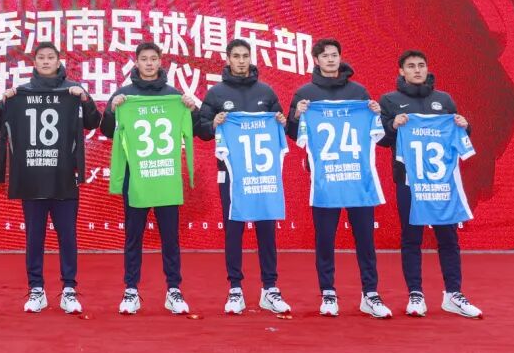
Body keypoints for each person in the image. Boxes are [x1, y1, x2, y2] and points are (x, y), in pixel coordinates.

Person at [287, 38, 391, 319]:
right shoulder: (305, 93)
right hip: (326, 179)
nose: (331, 59)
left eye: (334, 54)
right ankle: (328, 293)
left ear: (340, 57)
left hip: (358, 178)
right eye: (325, 55)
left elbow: (378, 134)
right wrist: (297, 115)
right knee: (325, 238)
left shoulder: (358, 92)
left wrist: (376, 114)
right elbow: (294, 134)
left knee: (365, 238)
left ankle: (370, 293)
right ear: (316, 60)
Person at [100, 41, 202, 315]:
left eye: (153, 59)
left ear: (160, 62)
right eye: (144, 59)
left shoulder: (173, 95)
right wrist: (112, 110)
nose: (148, 63)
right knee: (133, 236)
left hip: (165, 175)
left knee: (170, 236)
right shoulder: (124, 95)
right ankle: (131, 290)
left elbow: (196, 129)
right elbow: (108, 131)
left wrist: (192, 109)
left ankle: (174, 290)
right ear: (136, 62)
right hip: (136, 178)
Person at [378, 49, 482, 319]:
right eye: (411, 66)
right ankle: (416, 294)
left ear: (427, 68)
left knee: (448, 236)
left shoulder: (443, 100)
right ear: (401, 71)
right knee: (411, 237)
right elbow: (380, 139)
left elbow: (458, 135)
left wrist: (465, 125)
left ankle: (453, 294)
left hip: (441, 182)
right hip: (409, 181)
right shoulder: (390, 100)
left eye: (421, 65)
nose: (417, 70)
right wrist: (393, 126)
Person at [0, 41, 101, 314]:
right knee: (34, 237)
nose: (45, 61)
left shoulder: (72, 90)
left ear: (59, 61)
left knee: (67, 236)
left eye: (50, 57)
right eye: (41, 57)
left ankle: (69, 289)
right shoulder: (21, 92)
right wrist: (4, 102)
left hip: (64, 175)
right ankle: (36, 289)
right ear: (34, 63)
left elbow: (94, 122)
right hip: (32, 177)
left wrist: (85, 99)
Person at [197, 38, 291, 316]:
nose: (241, 61)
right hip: (231, 174)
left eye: (245, 56)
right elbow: (201, 129)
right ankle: (235, 288)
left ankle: (270, 289)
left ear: (250, 58)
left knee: (266, 228)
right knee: (233, 228)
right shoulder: (216, 93)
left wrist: (282, 122)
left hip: (263, 174)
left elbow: (281, 125)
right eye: (236, 56)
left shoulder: (266, 91)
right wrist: (213, 123)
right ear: (227, 59)